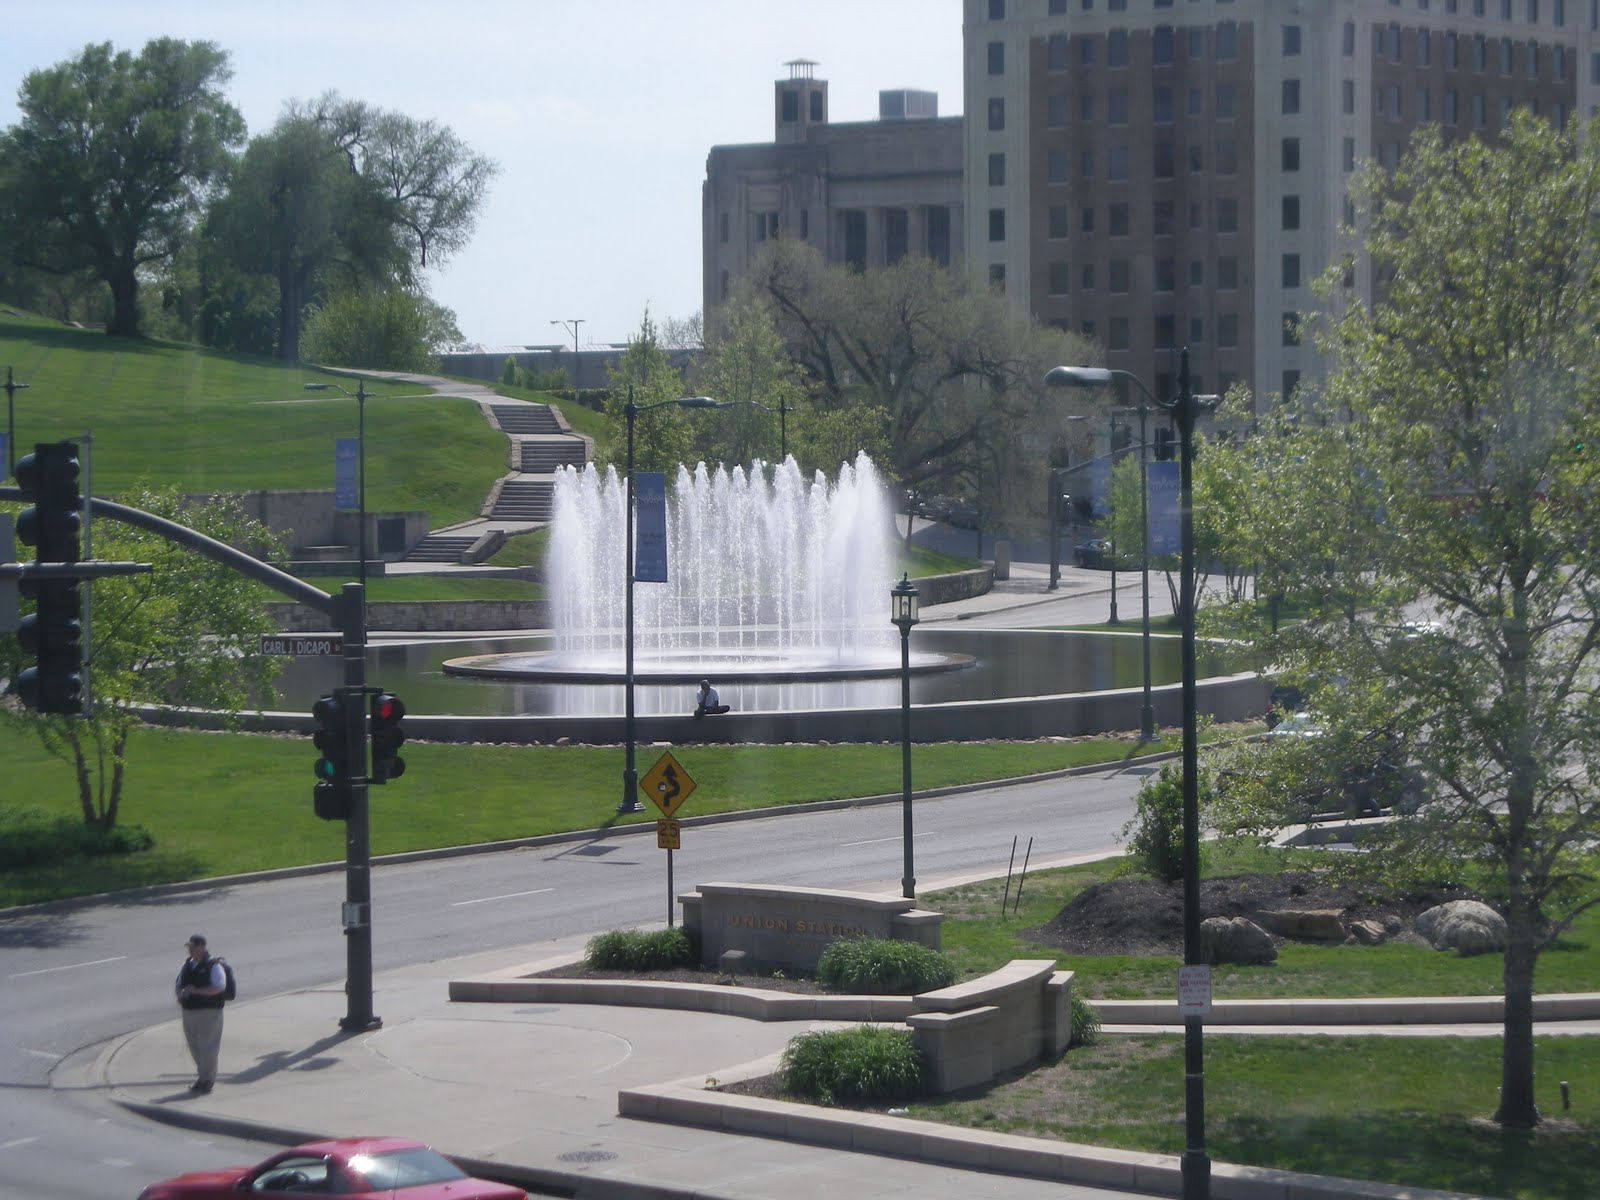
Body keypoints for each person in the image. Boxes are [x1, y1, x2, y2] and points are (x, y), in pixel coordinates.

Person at [175, 933, 226, 1094]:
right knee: (195, 1047)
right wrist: (181, 994)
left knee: (208, 1048)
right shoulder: (188, 965)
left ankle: (208, 1080)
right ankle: (202, 1077)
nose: (190, 950)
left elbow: (219, 987)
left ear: (202, 948)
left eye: (193, 947)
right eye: (189, 947)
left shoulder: (213, 965)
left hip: (209, 1013)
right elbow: (179, 983)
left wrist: (196, 991)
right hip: (189, 1013)